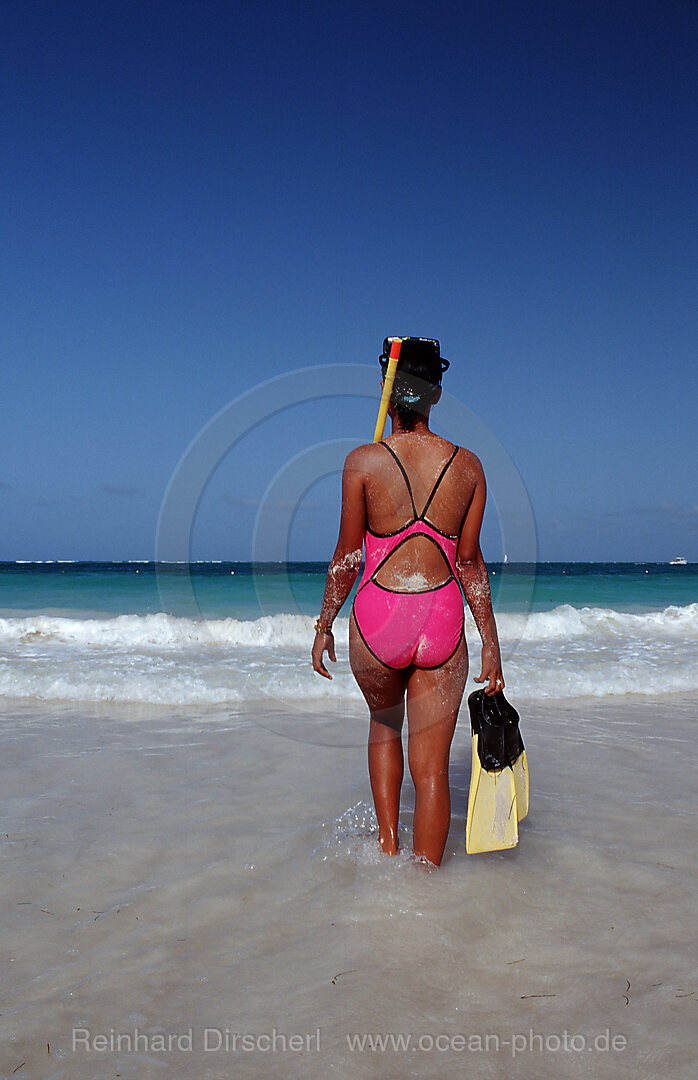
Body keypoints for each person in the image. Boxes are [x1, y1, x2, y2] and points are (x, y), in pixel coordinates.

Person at [311, 337, 504, 867]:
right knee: (434, 769)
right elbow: (469, 565)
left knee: (384, 727)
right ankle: (426, 889)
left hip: (378, 621)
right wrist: (490, 641)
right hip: (440, 620)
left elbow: (349, 556)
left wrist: (324, 622)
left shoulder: (363, 462)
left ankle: (388, 847)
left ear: (386, 391)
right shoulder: (468, 466)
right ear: (436, 395)